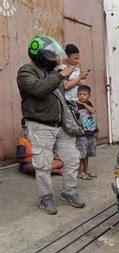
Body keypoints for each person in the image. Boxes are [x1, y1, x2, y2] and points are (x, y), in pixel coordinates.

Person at [17, 35, 85, 215]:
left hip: (60, 125)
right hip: (40, 126)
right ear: (39, 55)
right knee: (43, 164)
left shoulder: (51, 73)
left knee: (72, 159)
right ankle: (45, 198)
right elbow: (39, 90)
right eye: (51, 55)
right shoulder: (26, 72)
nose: (55, 58)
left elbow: (59, 93)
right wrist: (60, 74)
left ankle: (69, 192)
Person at [75, 85, 98, 180]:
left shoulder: (88, 104)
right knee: (81, 154)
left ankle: (86, 171)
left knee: (87, 154)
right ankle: (80, 172)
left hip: (90, 132)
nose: (82, 96)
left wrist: (84, 104)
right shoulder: (75, 105)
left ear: (89, 95)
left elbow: (92, 111)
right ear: (77, 95)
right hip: (81, 133)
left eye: (84, 94)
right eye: (80, 94)